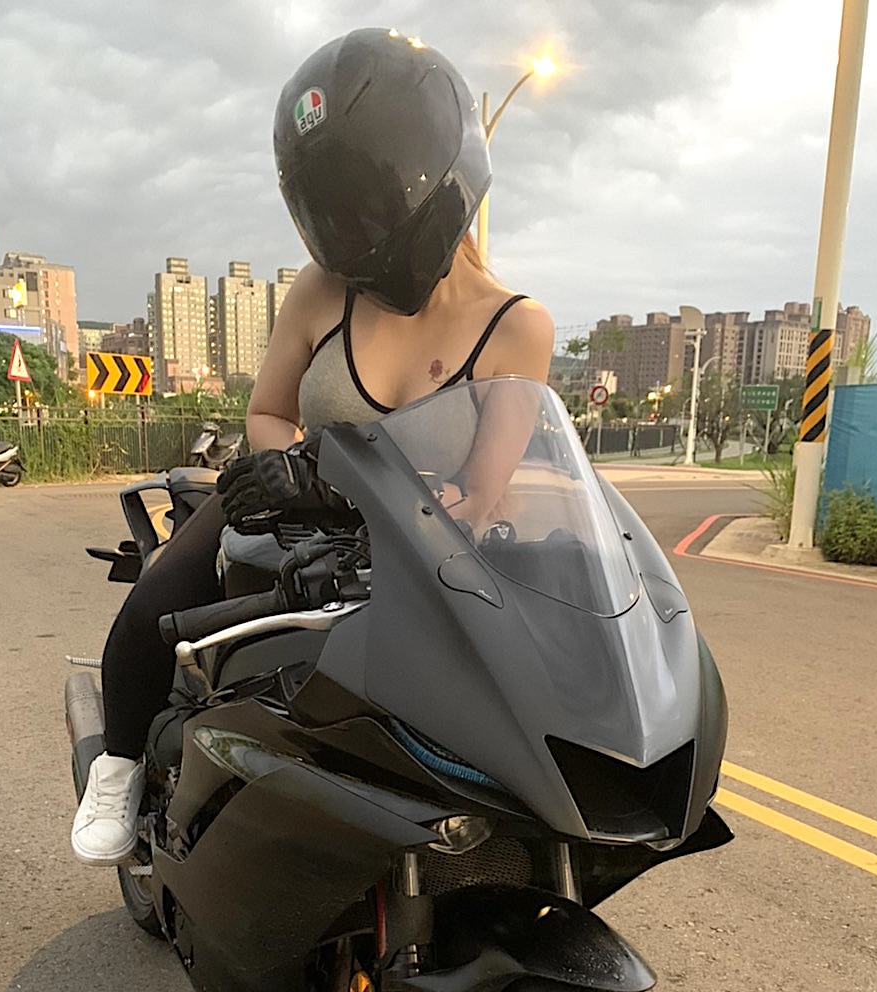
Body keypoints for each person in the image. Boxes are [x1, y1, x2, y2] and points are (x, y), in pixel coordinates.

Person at [72, 27, 554, 865]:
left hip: (428, 546)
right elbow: (269, 410)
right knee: (156, 607)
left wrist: (377, 496)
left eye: (366, 208)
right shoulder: (321, 291)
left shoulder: (518, 327)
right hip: (288, 509)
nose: (353, 232)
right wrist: (290, 467)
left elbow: (482, 490)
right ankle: (116, 766)